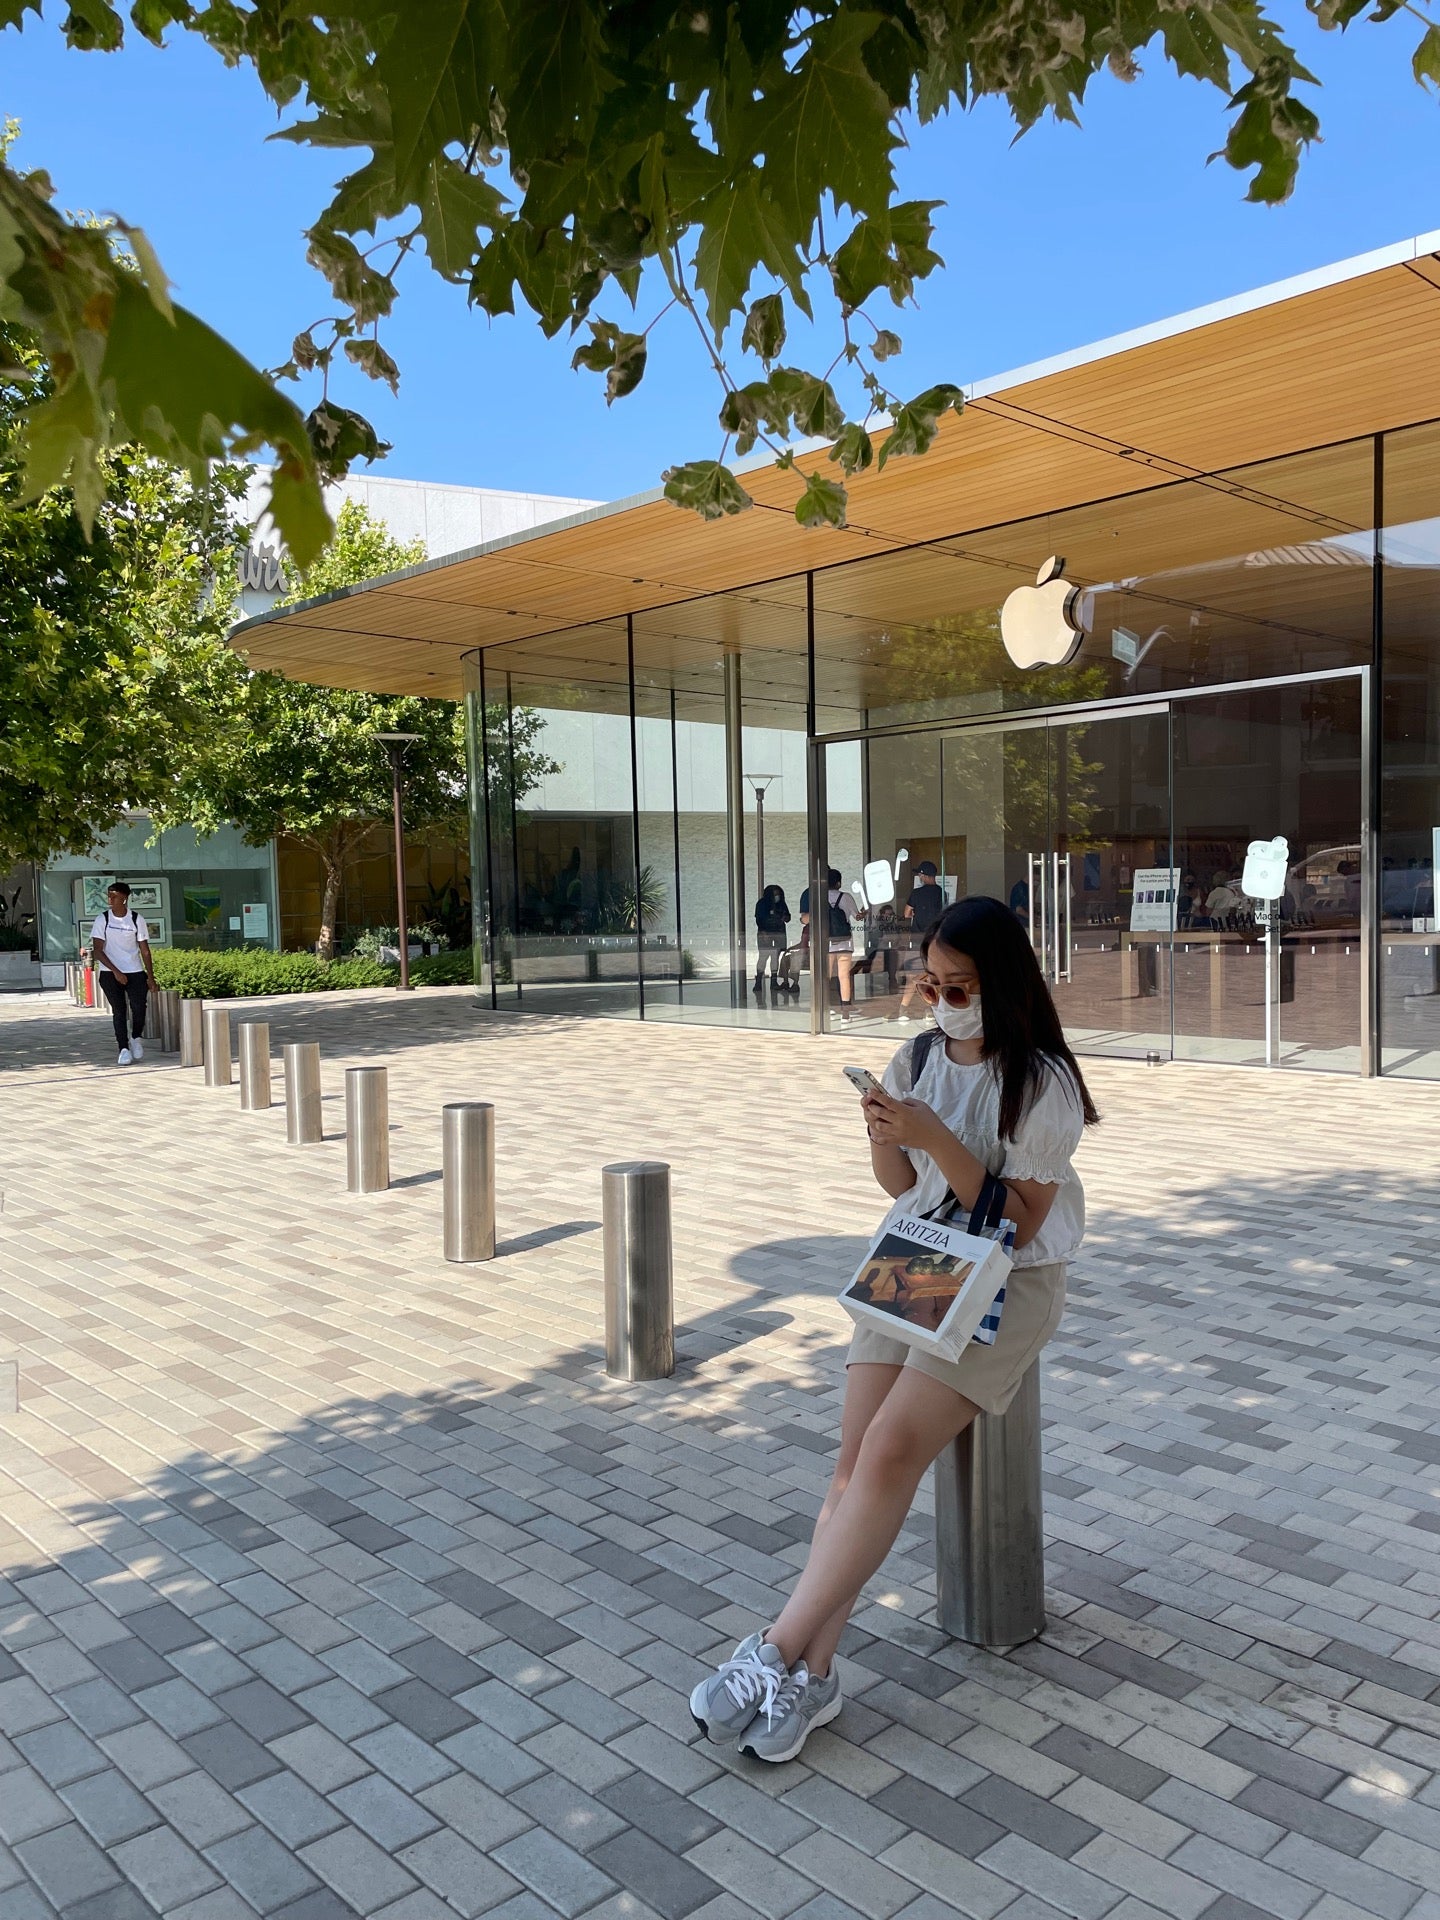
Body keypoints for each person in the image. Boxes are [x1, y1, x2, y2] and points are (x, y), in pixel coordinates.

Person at [688, 896, 1098, 1764]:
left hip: (1007, 1279)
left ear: (1004, 983)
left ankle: (771, 1649)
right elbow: (898, 1184)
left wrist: (936, 1135)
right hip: (916, 1256)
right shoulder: (914, 1055)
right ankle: (814, 1672)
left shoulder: (1043, 1081)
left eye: (962, 985)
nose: (945, 999)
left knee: (885, 1456)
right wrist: (884, 1131)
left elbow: (1018, 1221)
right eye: (934, 982)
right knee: (850, 1462)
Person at [91, 881, 158, 1066]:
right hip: (110, 973)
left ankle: (136, 1037)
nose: (110, 900)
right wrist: (116, 971)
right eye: (109, 896)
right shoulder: (102, 919)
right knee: (119, 1011)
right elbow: (97, 950)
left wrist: (150, 977)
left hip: (135, 970)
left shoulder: (136, 919)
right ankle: (123, 1048)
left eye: (114, 896)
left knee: (139, 1007)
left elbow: (145, 950)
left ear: (124, 898)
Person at [799, 867, 863, 1021]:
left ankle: (826, 1009)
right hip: (844, 943)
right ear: (839, 883)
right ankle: (846, 1013)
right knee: (844, 976)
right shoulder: (846, 897)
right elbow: (858, 917)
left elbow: (806, 919)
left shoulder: (818, 898)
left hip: (825, 943)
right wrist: (864, 912)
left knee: (825, 977)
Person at [753, 885, 791, 992]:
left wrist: (785, 917)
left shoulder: (781, 903)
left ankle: (774, 981)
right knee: (763, 957)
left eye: (778, 894)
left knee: (775, 957)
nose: (777, 896)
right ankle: (758, 981)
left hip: (778, 933)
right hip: (765, 933)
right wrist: (763, 932)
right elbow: (759, 920)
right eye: (774, 894)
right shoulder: (761, 904)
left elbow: (788, 917)